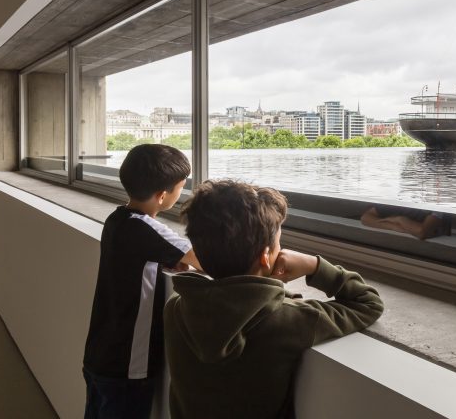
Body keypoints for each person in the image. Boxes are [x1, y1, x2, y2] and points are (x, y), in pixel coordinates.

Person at [165, 179, 384, 419]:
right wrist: (314, 265)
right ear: (266, 257)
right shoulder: (292, 320)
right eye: (279, 242)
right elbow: (368, 303)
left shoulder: (176, 308)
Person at [83, 144, 203, 419]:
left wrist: (165, 259)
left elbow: (138, 256)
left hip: (99, 354)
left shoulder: (117, 220)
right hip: (127, 365)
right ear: (162, 196)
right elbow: (203, 260)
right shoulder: (146, 228)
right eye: (180, 189)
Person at [360, 204, 452, 240]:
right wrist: (393, 226)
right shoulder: (400, 199)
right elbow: (366, 218)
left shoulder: (438, 203)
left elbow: (421, 232)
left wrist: (400, 220)